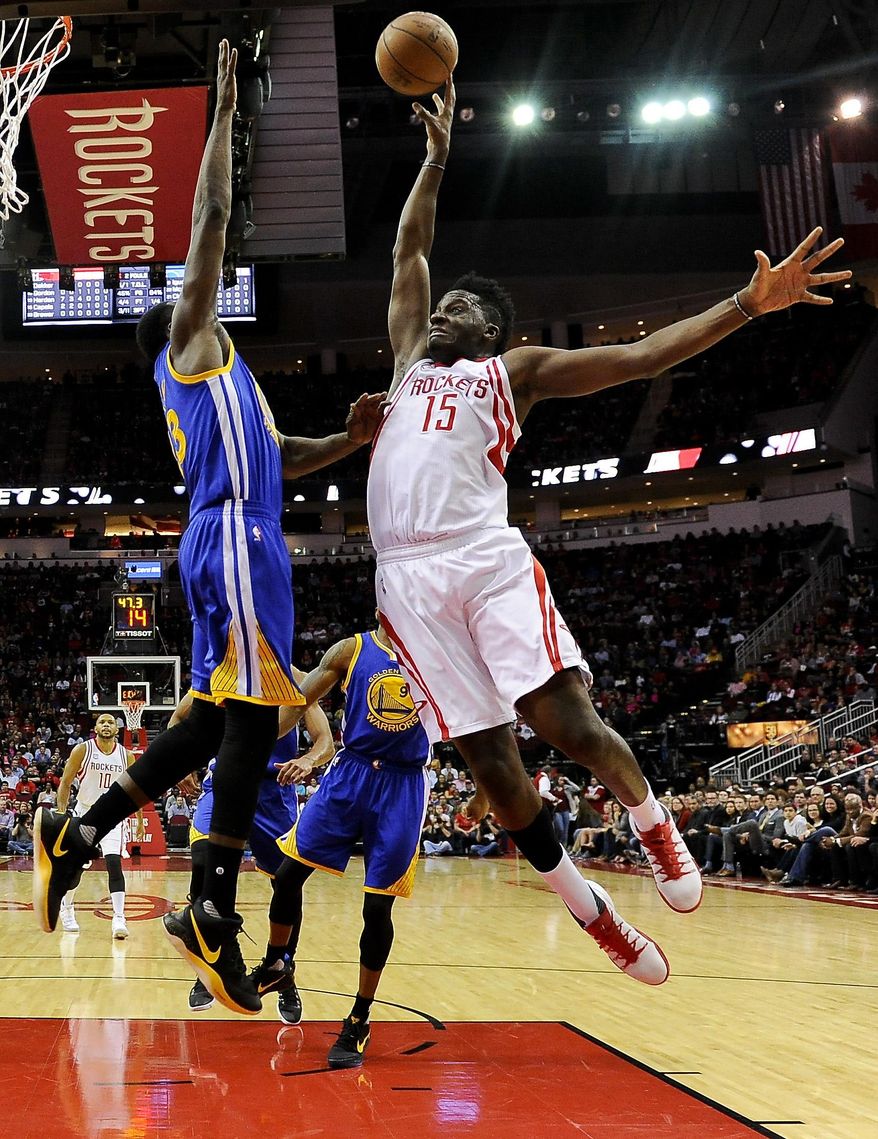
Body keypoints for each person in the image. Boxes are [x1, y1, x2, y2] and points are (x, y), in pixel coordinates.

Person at [368, 76, 850, 983]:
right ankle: (590, 911)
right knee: (491, 767)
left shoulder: (517, 368)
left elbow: (639, 358)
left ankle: (652, 821)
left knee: (565, 722)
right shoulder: (403, 368)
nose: (440, 312)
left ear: (494, 327)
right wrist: (433, 162)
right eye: (439, 309)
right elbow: (409, 252)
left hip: (481, 558)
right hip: (404, 580)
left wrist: (746, 306)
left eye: (459, 309)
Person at [32, 41, 384, 1018]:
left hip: (238, 537)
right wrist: (227, 105)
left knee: (203, 723)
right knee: (254, 716)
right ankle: (209, 905)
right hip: (237, 544)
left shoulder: (232, 396)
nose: (209, 295)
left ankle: (82, 827)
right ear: (181, 323)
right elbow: (211, 217)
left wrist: (346, 440)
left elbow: (286, 452)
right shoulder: (192, 348)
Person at [263, 622, 431, 1067]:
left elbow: (476, 718)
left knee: (377, 908)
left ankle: (359, 1018)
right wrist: (254, 747)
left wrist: (485, 791)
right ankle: (277, 961)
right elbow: (299, 704)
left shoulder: (437, 653)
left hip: (402, 783)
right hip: (350, 772)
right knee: (287, 874)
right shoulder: (351, 650)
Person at [174, 669, 334, 1017]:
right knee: (202, 859)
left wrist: (308, 759)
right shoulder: (226, 669)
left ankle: (280, 969)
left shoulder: (300, 679)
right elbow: (179, 716)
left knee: (289, 882)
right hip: (225, 780)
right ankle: (213, 957)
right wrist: (181, 762)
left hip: (274, 789)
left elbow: (325, 741)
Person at [55, 713, 141, 939]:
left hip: (113, 815)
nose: (106, 725)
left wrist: (140, 820)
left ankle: (119, 917)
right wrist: (62, 813)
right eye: (102, 722)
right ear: (95, 727)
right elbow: (65, 783)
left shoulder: (127, 755)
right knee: (77, 867)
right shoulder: (83, 750)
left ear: (117, 728)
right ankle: (67, 907)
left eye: (110, 722)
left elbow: (134, 789)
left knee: (114, 863)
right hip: (85, 812)